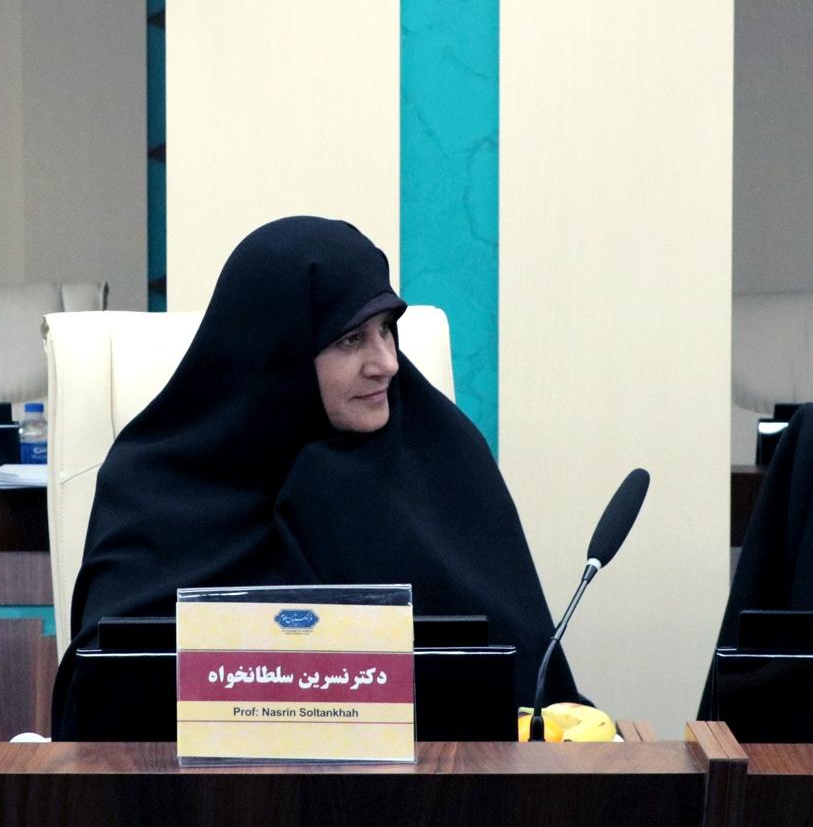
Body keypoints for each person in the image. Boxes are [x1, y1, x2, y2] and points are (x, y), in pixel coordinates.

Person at [51, 216, 580, 739]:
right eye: (350, 340)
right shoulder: (155, 485)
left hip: (436, 785)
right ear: (276, 350)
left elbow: (527, 686)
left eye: (386, 329)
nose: (387, 363)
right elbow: (103, 692)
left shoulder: (441, 457)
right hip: (190, 787)